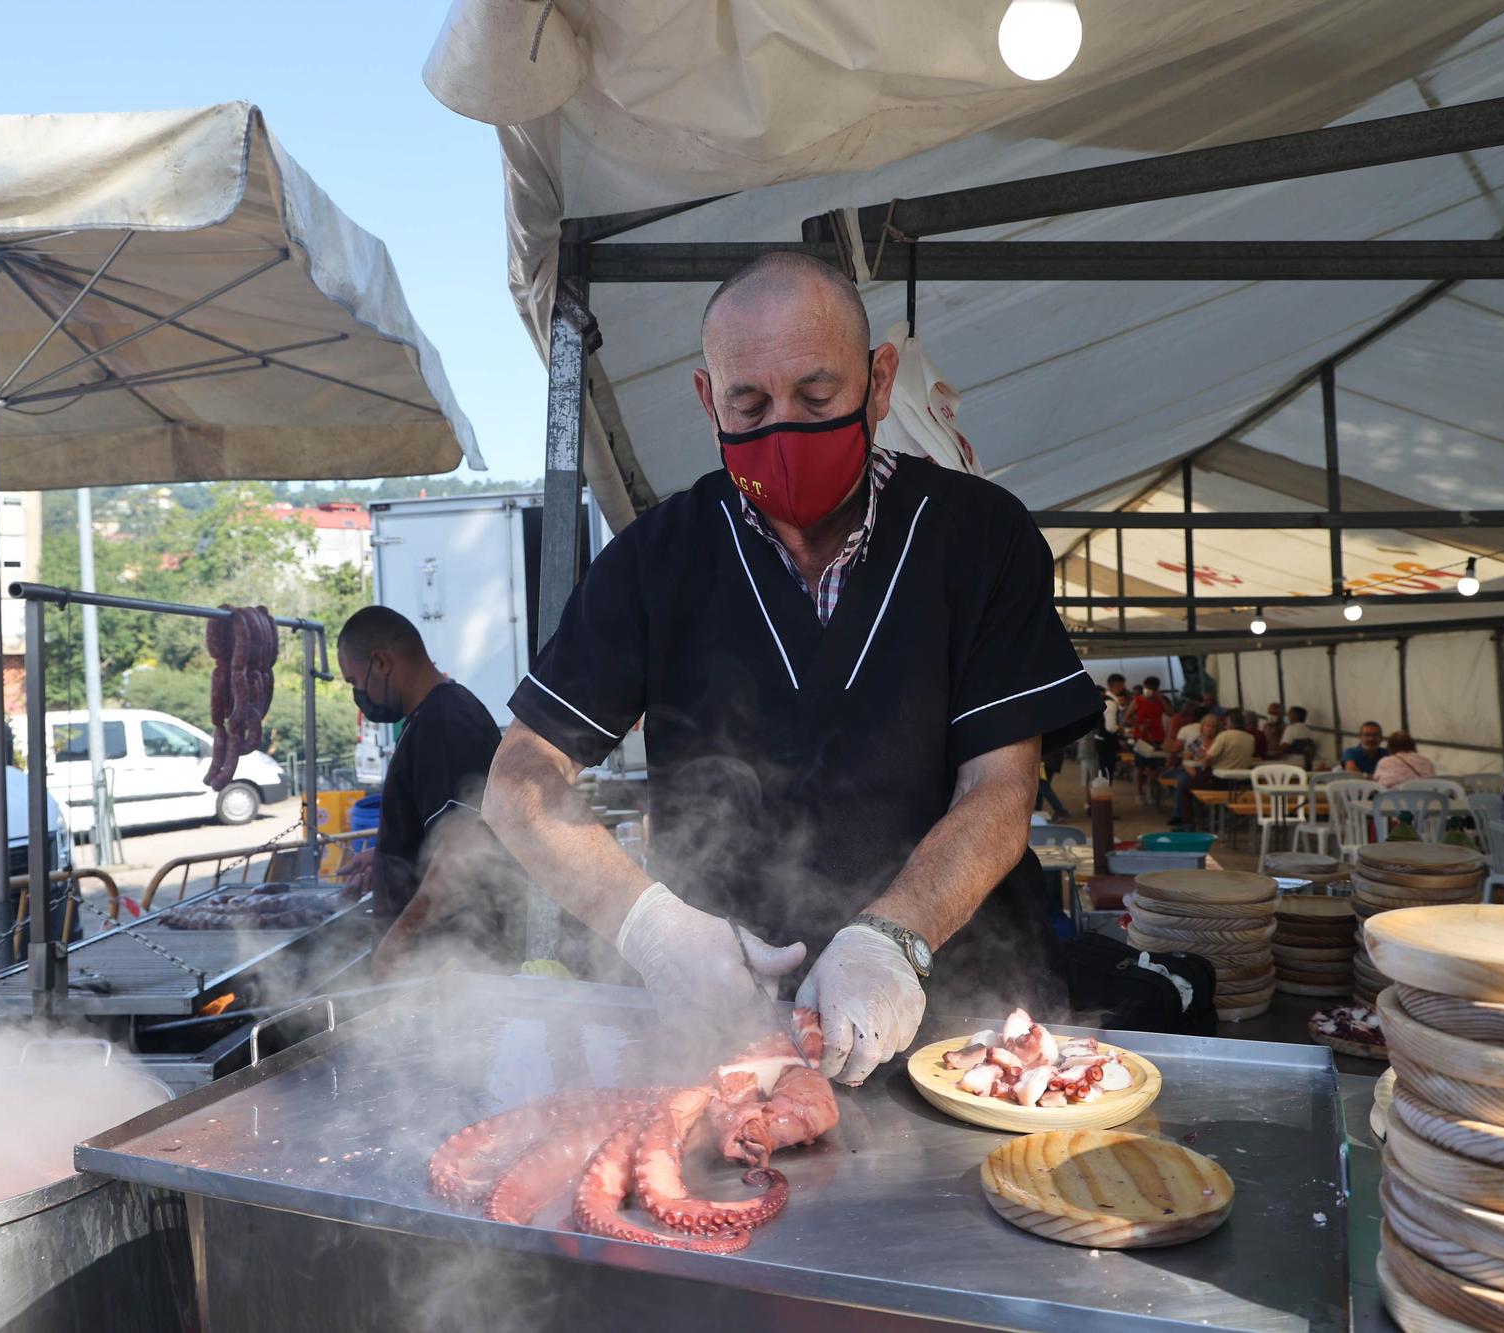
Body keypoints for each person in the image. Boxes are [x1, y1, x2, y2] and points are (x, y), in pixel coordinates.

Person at [483, 250, 1101, 1087]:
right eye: (749, 402)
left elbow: (1001, 788)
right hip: (730, 1031)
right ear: (708, 401)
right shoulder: (654, 562)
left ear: (880, 384)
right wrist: (651, 926)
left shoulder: (979, 537)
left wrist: (893, 938)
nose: (783, 429)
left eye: (817, 397)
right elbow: (519, 782)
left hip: (968, 1022)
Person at [334, 606, 518, 974]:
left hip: (454, 960)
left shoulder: (445, 724)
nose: (358, 694)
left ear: (382, 662)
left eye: (355, 682)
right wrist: (391, 857)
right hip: (440, 958)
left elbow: (462, 855)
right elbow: (442, 828)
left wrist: (398, 941)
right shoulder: (432, 715)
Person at [1168, 712, 1256, 828]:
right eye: (1207, 726)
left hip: (1215, 776)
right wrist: (1195, 773)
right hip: (1228, 777)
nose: (1210, 729)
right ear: (1202, 726)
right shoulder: (1250, 737)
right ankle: (1189, 817)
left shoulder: (1222, 738)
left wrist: (1203, 763)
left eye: (1213, 726)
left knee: (1184, 785)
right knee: (1184, 779)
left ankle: (1187, 823)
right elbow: (1187, 760)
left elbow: (1208, 759)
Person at [1374, 731, 1438, 790]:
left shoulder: (1385, 762)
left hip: (1394, 800)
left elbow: (1379, 785)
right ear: (1412, 744)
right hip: (1426, 800)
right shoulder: (1427, 762)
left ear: (1390, 746)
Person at [1037, 735, 1071, 820]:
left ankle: (1061, 811)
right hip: (1050, 759)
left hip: (1046, 760)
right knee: (1040, 786)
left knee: (1043, 786)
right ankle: (1037, 811)